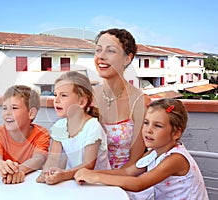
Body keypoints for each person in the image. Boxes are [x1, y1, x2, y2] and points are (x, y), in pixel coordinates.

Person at [74, 98, 209, 200]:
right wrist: (89, 173)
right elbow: (127, 172)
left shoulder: (176, 159)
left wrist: (96, 176)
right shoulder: (154, 153)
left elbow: (139, 183)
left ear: (176, 133)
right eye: (146, 123)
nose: (148, 130)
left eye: (158, 126)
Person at [36, 71, 110, 185]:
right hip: (73, 182)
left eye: (63, 95)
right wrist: (47, 171)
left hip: (97, 185)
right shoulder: (60, 126)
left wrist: (64, 175)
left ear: (81, 102)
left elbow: (88, 164)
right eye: (55, 94)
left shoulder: (92, 127)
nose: (56, 100)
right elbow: (53, 158)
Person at [92, 28, 151, 169]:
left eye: (110, 51)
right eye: (98, 50)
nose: (101, 56)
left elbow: (135, 162)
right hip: (86, 181)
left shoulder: (140, 102)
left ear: (127, 59)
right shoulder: (86, 96)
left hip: (123, 183)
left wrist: (101, 179)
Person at [0, 85, 50, 184]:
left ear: (31, 113)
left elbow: (39, 158)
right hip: (5, 184)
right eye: (4, 108)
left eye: (14, 108)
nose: (7, 113)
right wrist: (2, 166)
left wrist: (20, 170)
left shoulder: (41, 134)